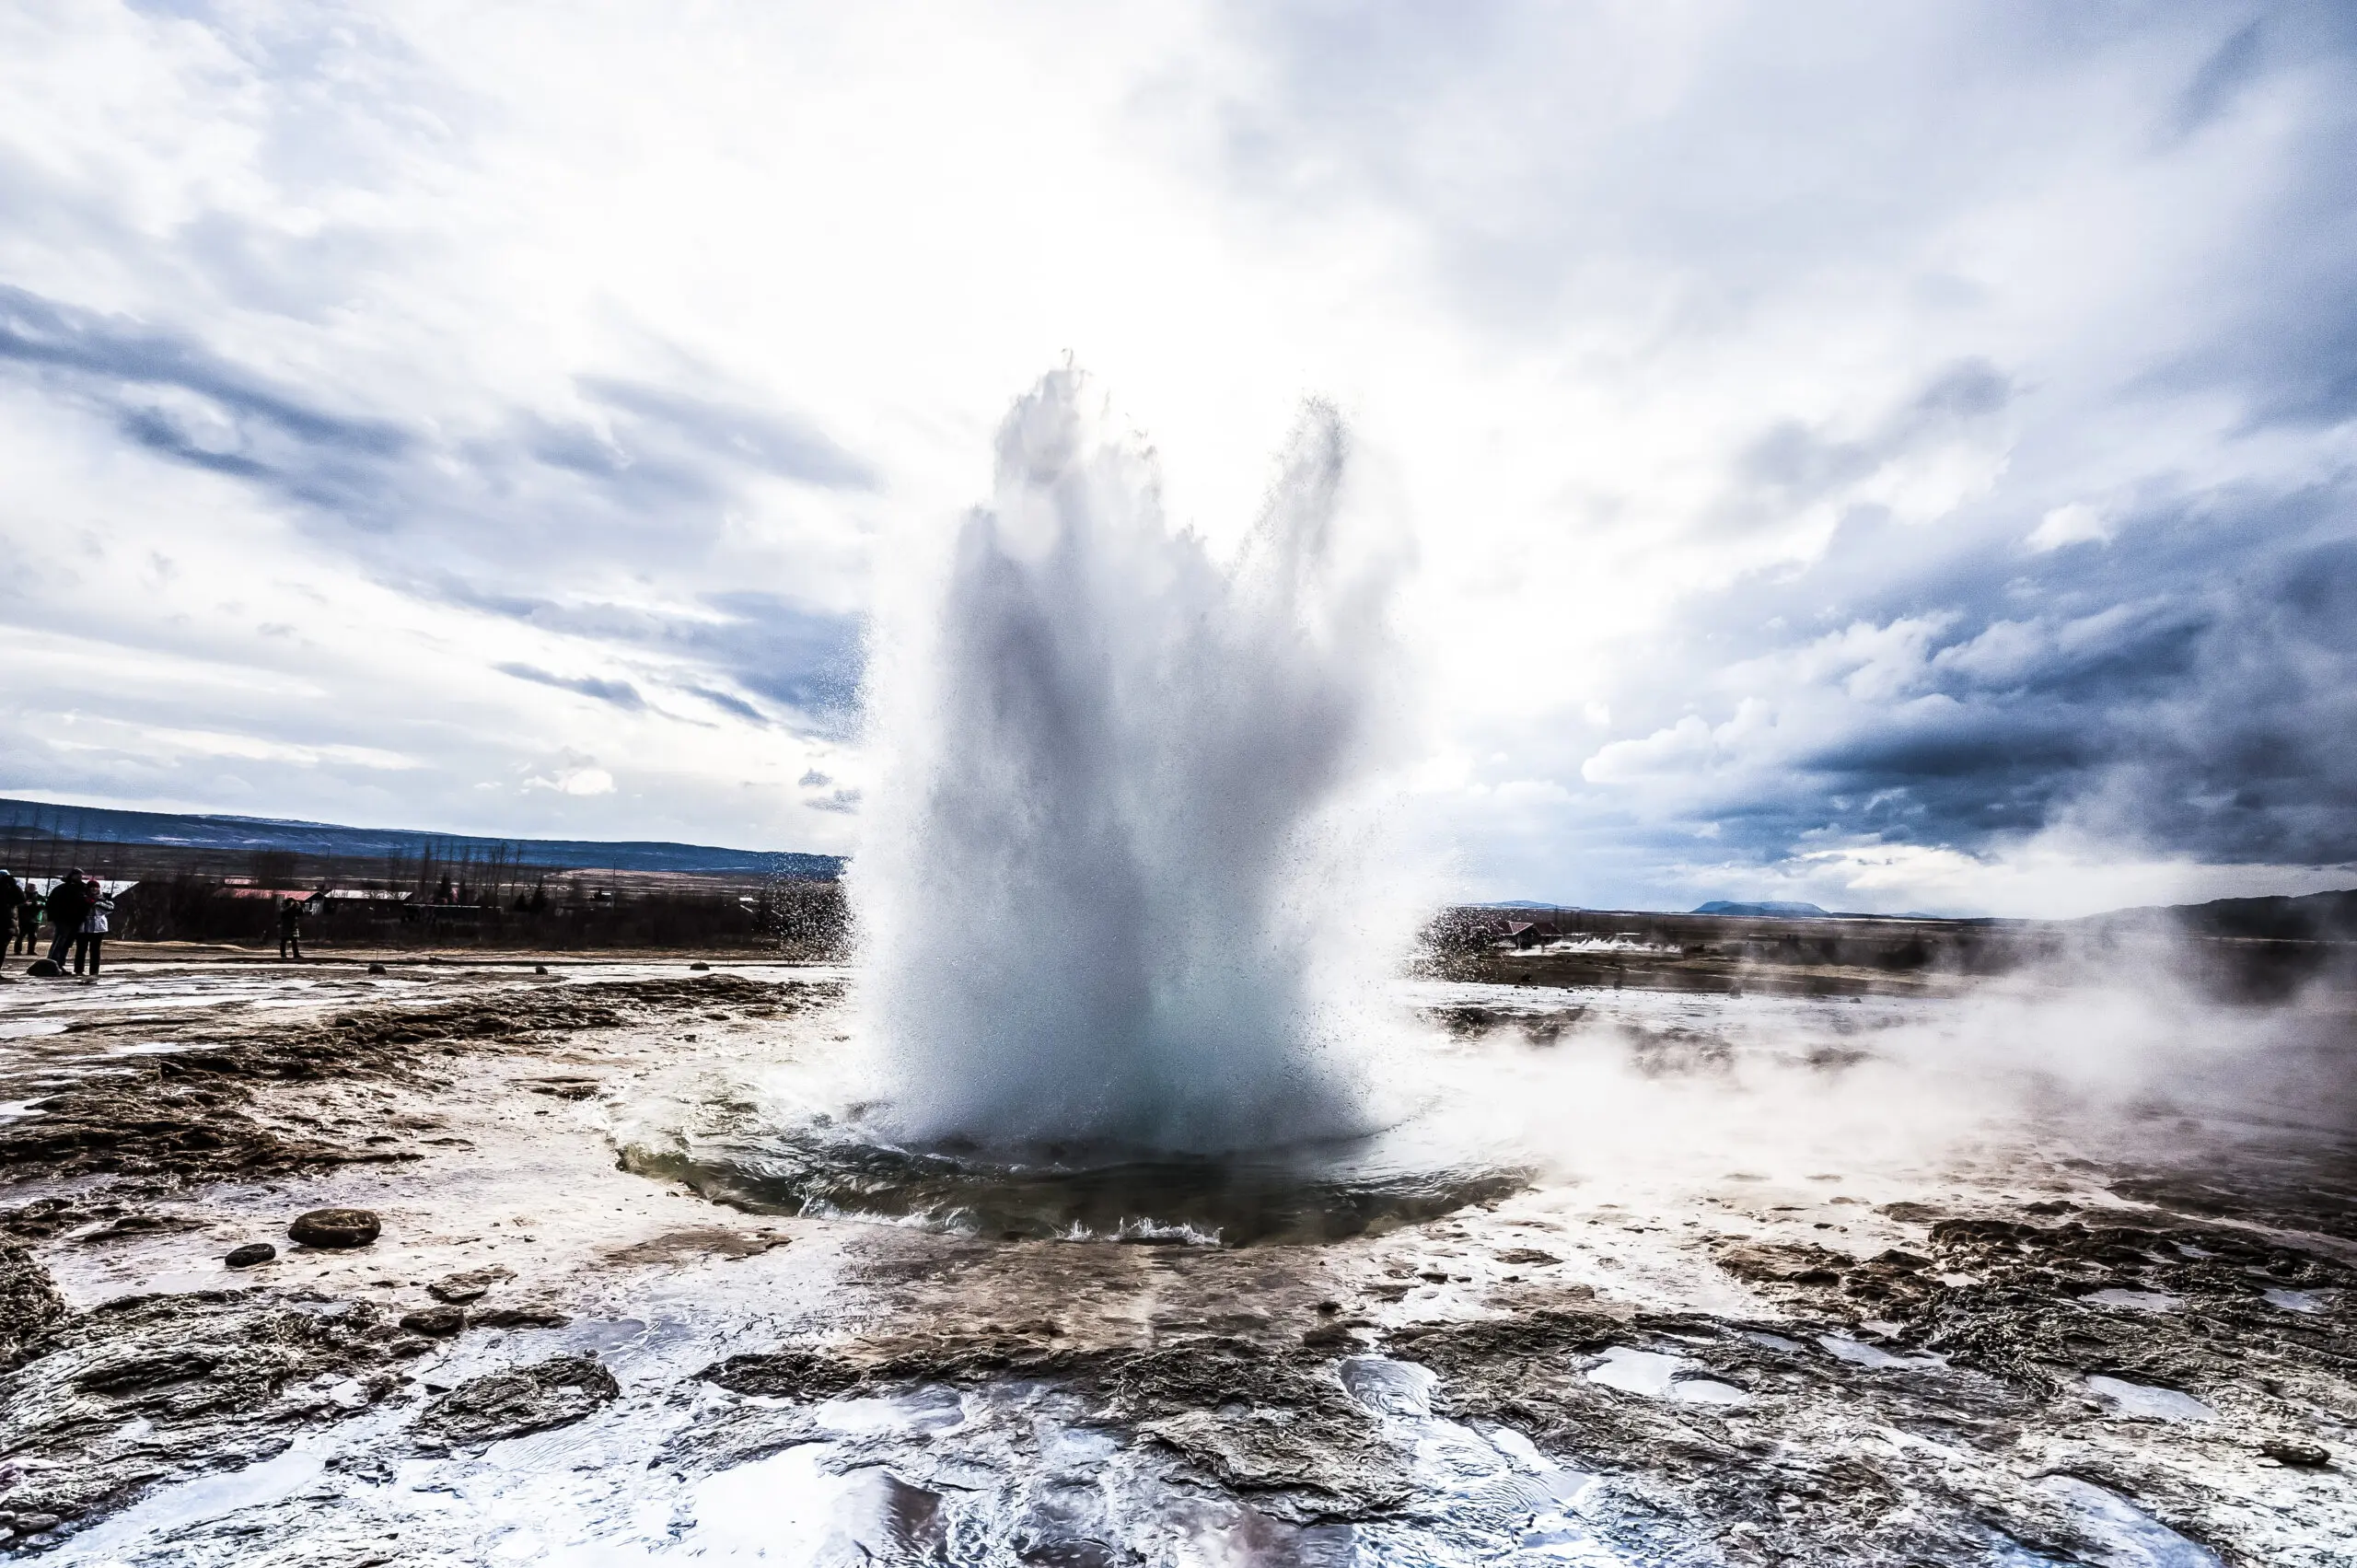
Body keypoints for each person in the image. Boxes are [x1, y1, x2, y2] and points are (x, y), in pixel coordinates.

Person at [43, 868, 90, 970]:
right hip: (63, 919)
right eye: (78, 876)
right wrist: (55, 917)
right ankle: (52, 964)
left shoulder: (82, 889)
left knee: (67, 943)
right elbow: (50, 904)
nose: (80, 878)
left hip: (75, 920)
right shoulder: (62, 889)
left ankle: (59, 964)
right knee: (60, 942)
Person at [75, 877, 112, 977]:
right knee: (81, 949)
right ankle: (79, 970)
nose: (94, 889)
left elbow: (110, 909)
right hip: (83, 927)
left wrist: (97, 903)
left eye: (96, 887)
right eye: (92, 887)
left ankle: (94, 971)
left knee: (95, 950)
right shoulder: (81, 898)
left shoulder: (104, 898)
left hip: (99, 927)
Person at [12, 880, 39, 956]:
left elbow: (45, 903)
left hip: (34, 919)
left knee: (33, 936)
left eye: (33, 887)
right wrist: (25, 904)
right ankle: (17, 950)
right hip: (23, 919)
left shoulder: (38, 896)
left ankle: (30, 951)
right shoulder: (22, 895)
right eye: (30, 887)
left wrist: (39, 904)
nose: (32, 888)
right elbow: (17, 905)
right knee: (21, 935)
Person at [0, 871, 21, 960]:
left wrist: (13, 886)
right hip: (6, 922)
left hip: (7, 923)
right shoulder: (7, 890)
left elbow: (21, 899)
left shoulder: (9, 890)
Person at [278, 894, 306, 961]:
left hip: (293, 926)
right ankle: (283, 955)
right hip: (285, 926)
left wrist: (299, 907)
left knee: (294, 941)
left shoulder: (294, 908)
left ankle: (296, 954)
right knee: (283, 941)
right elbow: (282, 913)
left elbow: (301, 914)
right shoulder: (284, 908)